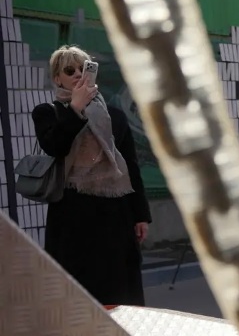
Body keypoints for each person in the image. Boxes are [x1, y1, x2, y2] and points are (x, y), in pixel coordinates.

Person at [33, 45, 151, 306]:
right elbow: (55, 146)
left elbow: (130, 166)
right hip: (73, 214)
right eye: (69, 70)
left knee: (118, 289)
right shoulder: (47, 112)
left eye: (83, 68)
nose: (77, 74)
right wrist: (75, 108)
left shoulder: (116, 117)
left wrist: (141, 215)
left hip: (115, 214)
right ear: (57, 78)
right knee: (76, 289)